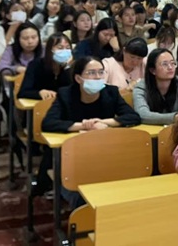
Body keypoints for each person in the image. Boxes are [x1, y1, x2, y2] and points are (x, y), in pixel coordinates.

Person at [42, 57, 142, 207]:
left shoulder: (111, 92)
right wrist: (83, 126)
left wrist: (104, 122)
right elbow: (49, 123)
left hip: (104, 150)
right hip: (74, 153)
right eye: (91, 73)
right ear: (78, 78)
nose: (97, 77)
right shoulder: (65, 94)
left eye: (101, 72)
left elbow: (133, 117)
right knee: (80, 195)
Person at [133, 49, 178, 125]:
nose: (170, 67)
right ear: (152, 70)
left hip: (177, 128)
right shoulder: (141, 88)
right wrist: (175, 117)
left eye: (173, 63)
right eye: (165, 64)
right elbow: (142, 114)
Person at [18, 33, 73, 100]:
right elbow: (23, 92)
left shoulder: (70, 67)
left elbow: (72, 91)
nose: (64, 51)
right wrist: (39, 93)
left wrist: (67, 67)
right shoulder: (35, 65)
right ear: (50, 49)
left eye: (68, 48)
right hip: (39, 103)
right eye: (60, 48)